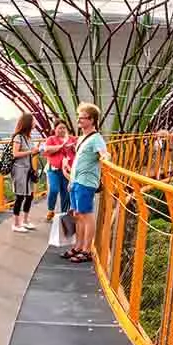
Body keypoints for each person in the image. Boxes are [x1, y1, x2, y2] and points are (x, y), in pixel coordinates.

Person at [65, 102, 107, 263]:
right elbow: (78, 160)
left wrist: (105, 157)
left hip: (86, 182)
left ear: (92, 120)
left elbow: (103, 153)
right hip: (77, 181)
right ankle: (78, 246)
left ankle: (87, 250)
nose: (79, 121)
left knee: (86, 215)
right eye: (79, 117)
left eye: (83, 118)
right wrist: (71, 180)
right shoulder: (82, 137)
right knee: (77, 214)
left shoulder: (96, 138)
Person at [9, 112, 39, 232]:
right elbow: (15, 154)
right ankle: (16, 224)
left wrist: (36, 150)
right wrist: (31, 151)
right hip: (19, 170)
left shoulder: (29, 137)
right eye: (33, 121)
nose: (35, 123)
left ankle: (25, 221)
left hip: (28, 170)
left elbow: (30, 152)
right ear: (28, 123)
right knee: (20, 196)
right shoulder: (18, 137)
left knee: (30, 196)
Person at [42, 119, 75, 222]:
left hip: (67, 171)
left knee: (66, 193)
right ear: (55, 129)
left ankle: (63, 215)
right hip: (54, 170)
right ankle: (50, 210)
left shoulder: (72, 139)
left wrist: (74, 147)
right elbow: (46, 149)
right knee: (54, 189)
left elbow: (79, 149)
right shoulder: (51, 139)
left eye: (64, 128)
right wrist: (61, 146)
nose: (62, 130)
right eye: (59, 128)